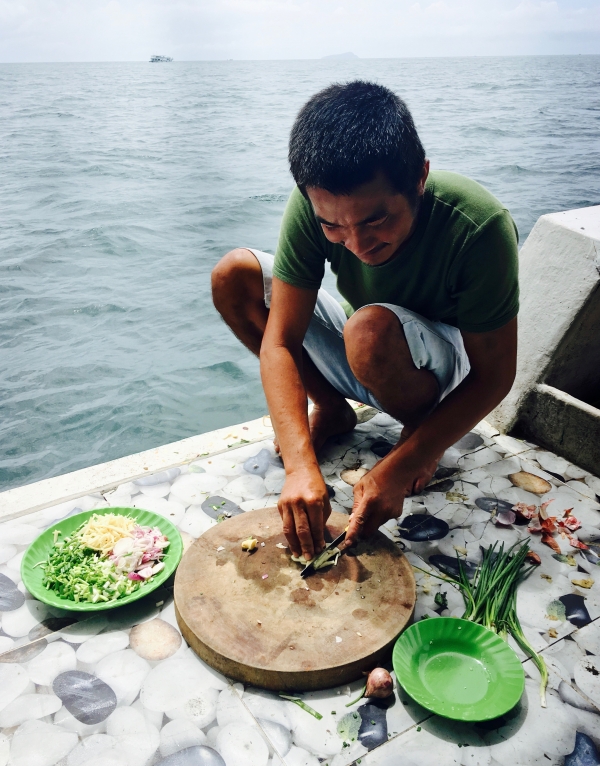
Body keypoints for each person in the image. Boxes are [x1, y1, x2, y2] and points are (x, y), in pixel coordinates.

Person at [212, 81, 518, 564]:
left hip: (439, 366)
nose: (357, 244)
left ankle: (418, 432)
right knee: (235, 275)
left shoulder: (479, 225)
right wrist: (299, 468)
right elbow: (280, 343)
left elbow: (495, 375)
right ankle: (333, 409)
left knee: (368, 331)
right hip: (366, 342)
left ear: (419, 176)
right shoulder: (316, 207)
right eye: (333, 226)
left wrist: (403, 464)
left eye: (377, 220)